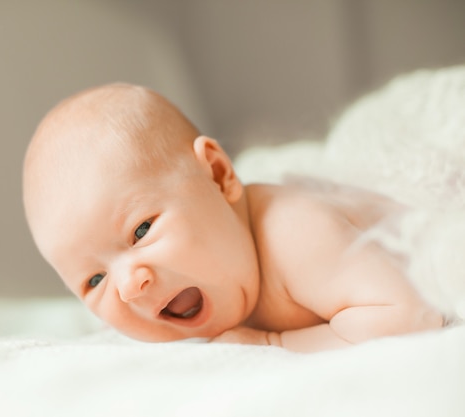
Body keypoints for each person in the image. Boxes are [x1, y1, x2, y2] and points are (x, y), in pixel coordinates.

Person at [22, 83, 444, 352]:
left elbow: (411, 315)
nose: (130, 287)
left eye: (142, 230)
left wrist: (274, 342)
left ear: (219, 175)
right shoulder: (212, 272)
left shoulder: (295, 234)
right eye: (94, 281)